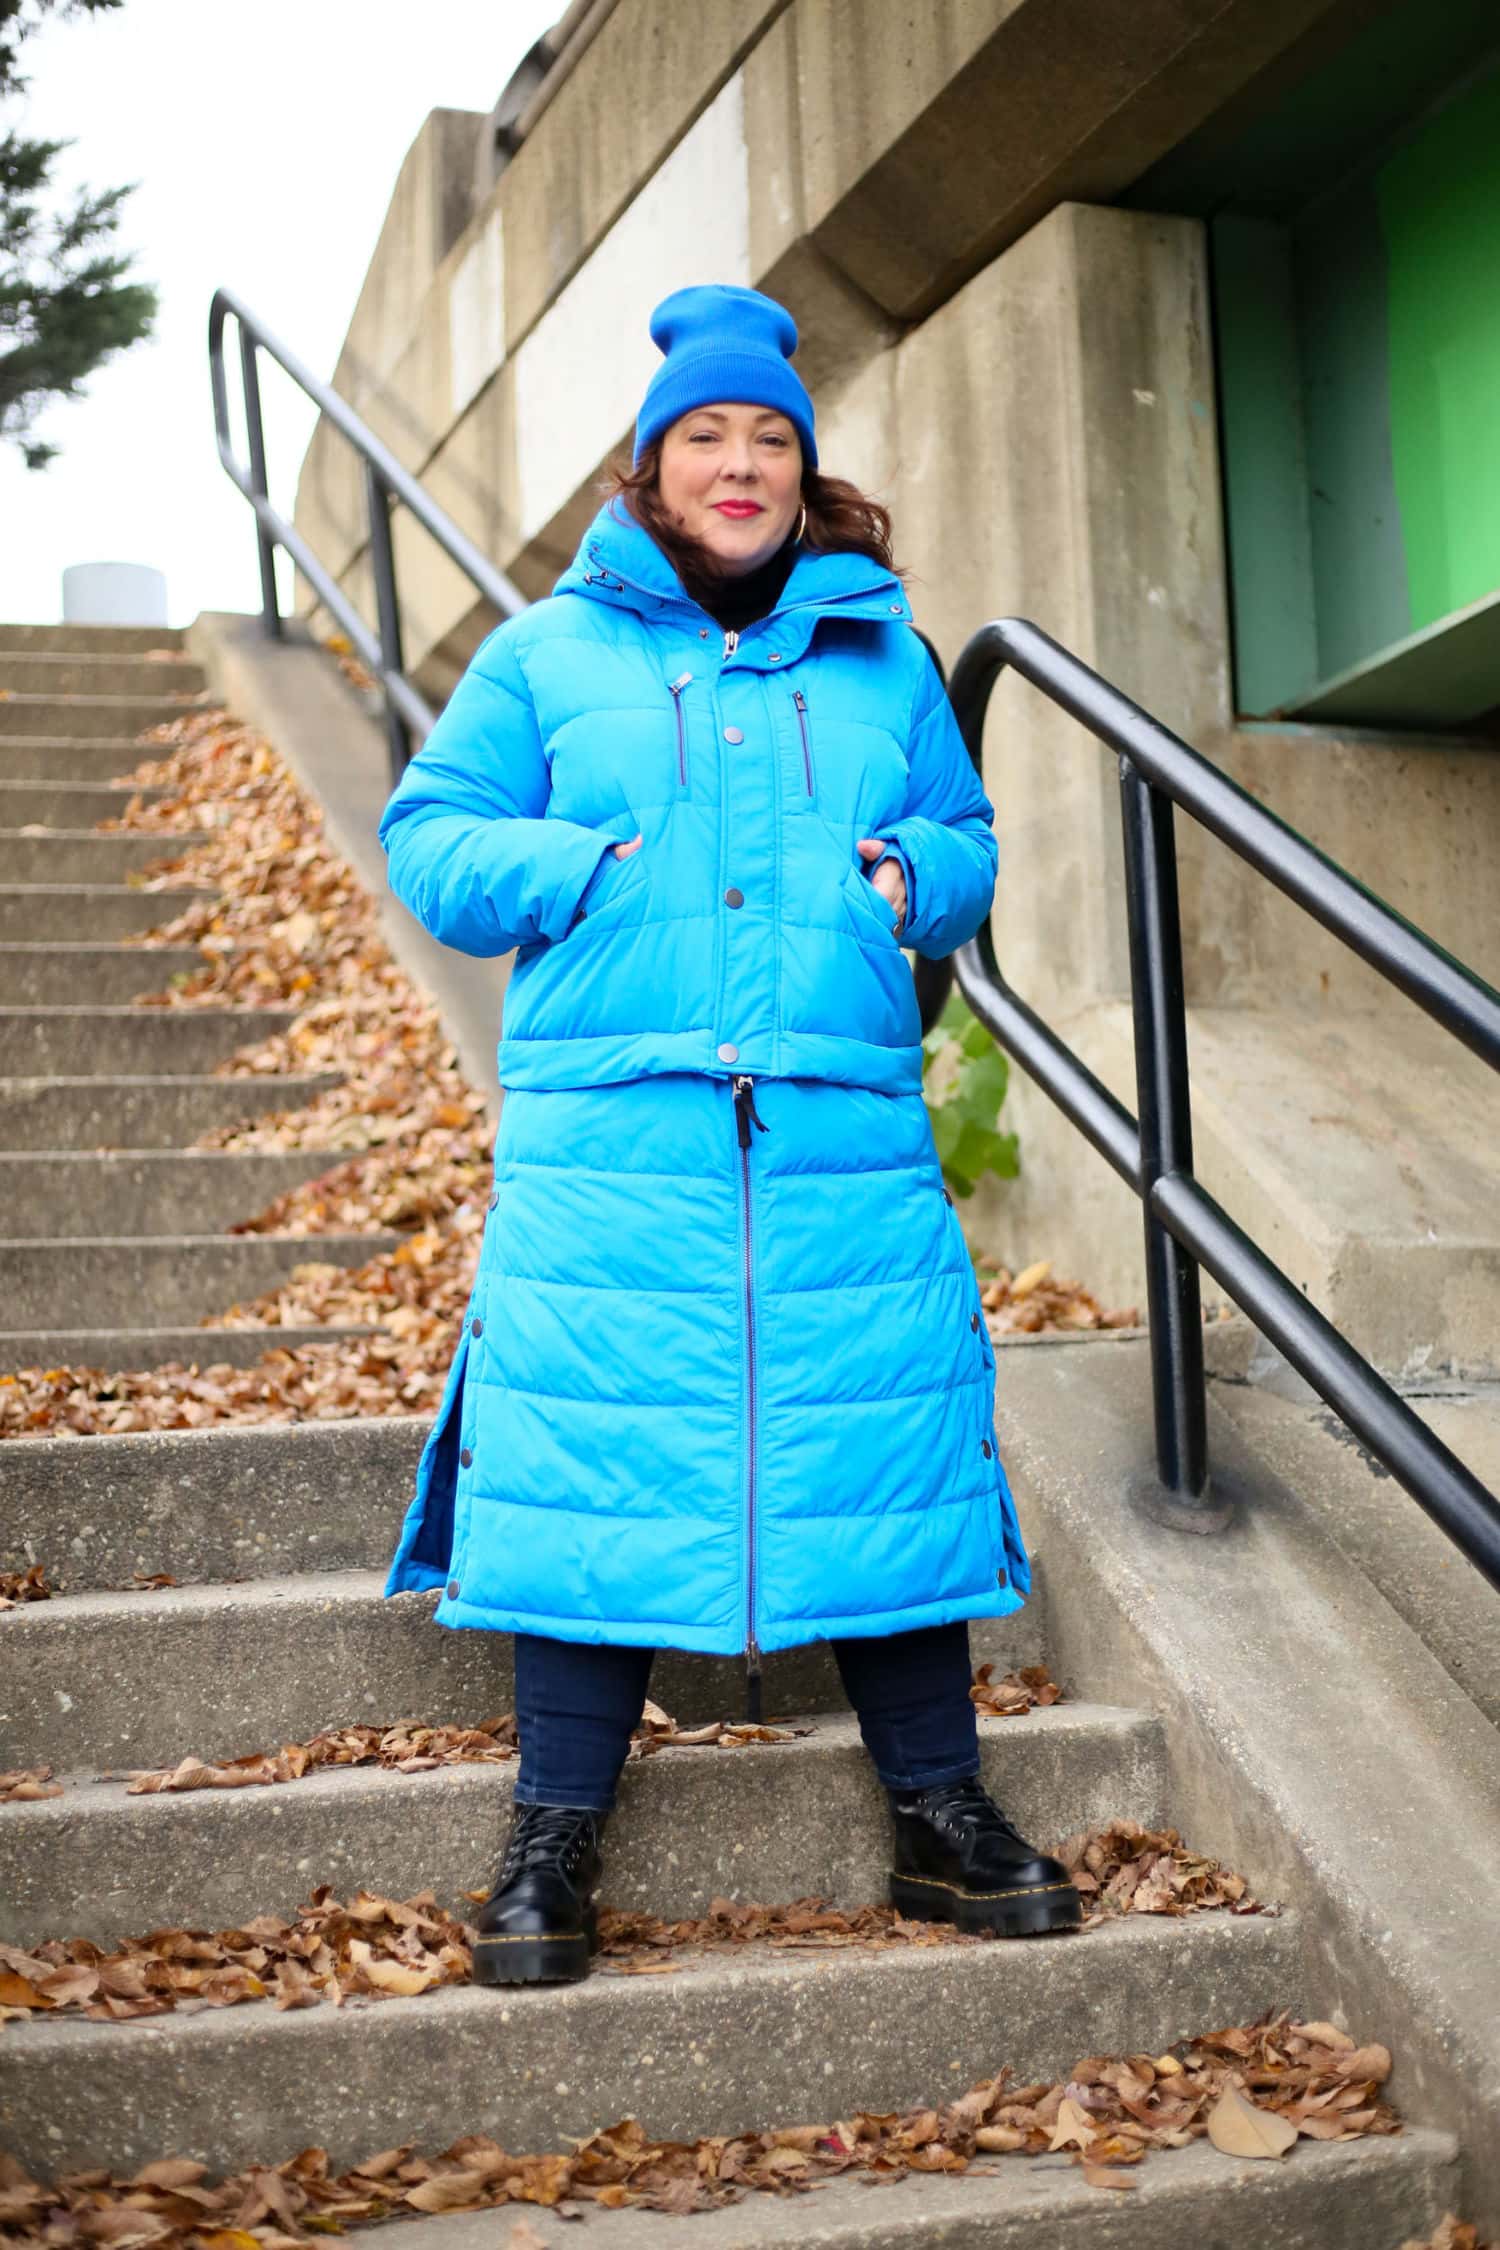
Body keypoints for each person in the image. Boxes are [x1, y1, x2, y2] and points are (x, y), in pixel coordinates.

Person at [377, 282, 1082, 1986]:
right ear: (655, 464)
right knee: (595, 1464)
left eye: (773, 436)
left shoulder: (885, 651)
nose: (744, 463)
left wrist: (918, 878)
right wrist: (578, 873)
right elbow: (432, 837)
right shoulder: (551, 650)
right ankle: (552, 1839)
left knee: (883, 1442)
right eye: (710, 436)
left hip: (836, 1114)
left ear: (805, 467)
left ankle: (942, 1814)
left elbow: (964, 825)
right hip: (619, 1127)